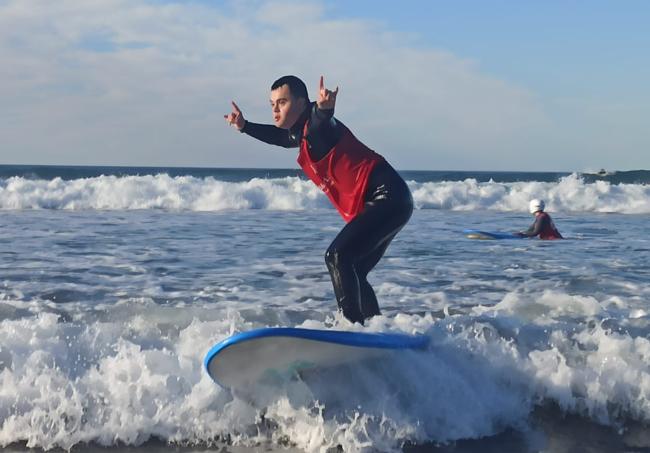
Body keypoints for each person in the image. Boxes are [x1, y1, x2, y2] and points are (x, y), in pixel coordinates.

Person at [224, 75, 413, 324]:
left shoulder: (316, 126)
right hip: (393, 200)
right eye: (272, 104)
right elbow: (280, 138)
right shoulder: (299, 135)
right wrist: (245, 126)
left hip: (388, 197)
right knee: (354, 269)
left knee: (336, 256)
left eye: (282, 102)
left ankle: (352, 328)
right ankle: (377, 330)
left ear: (303, 103)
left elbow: (322, 119)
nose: (275, 109)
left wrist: (325, 108)